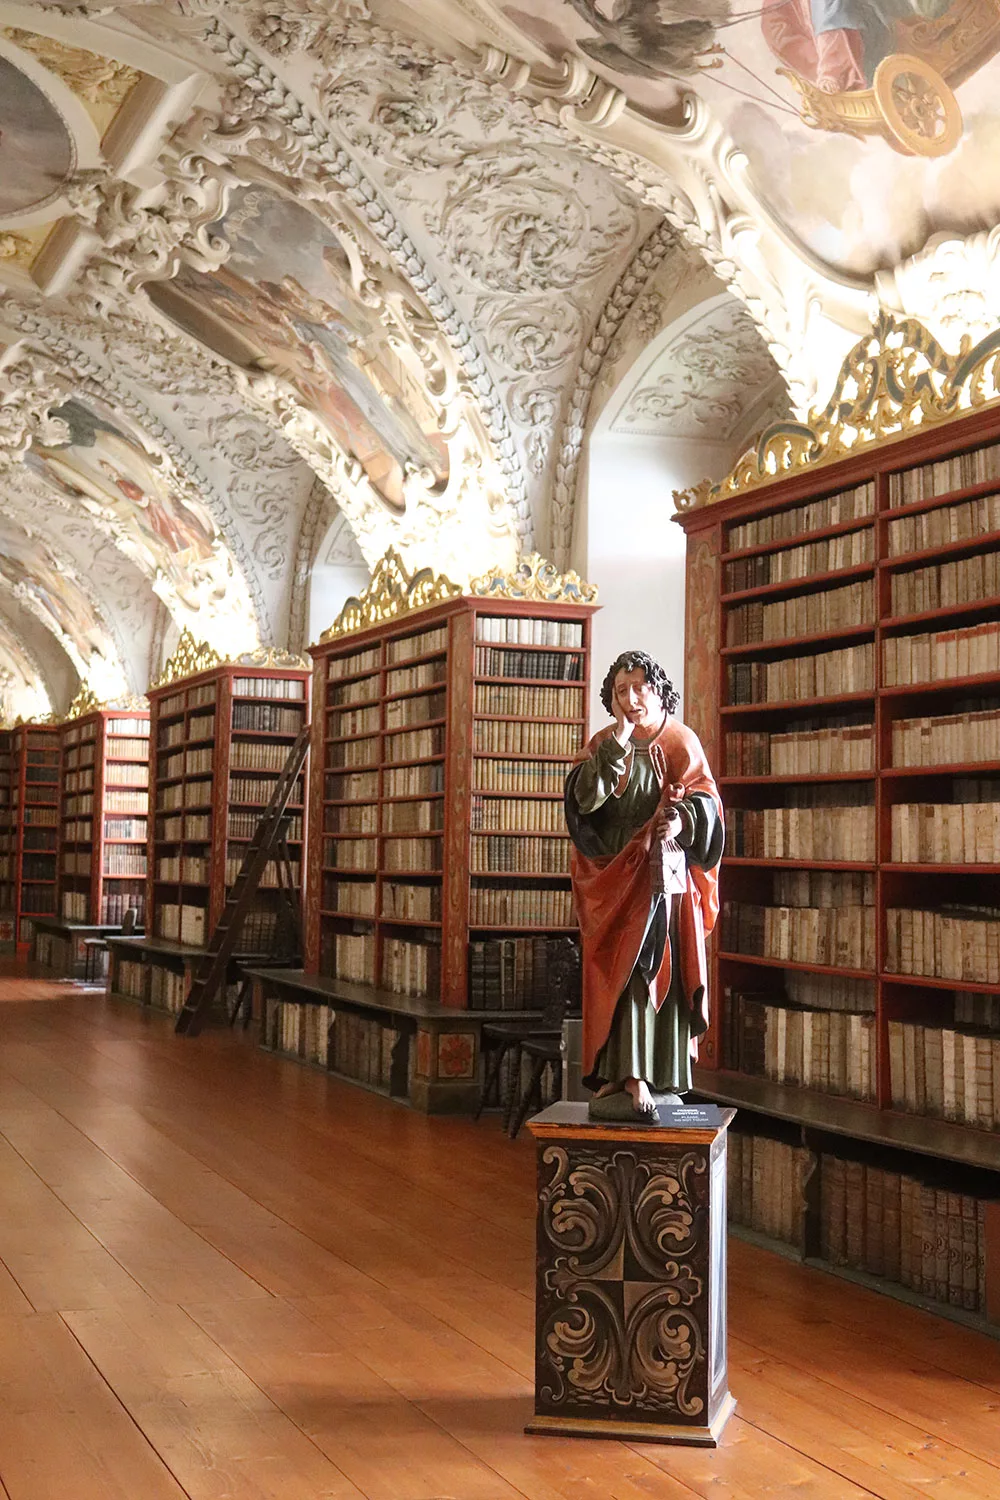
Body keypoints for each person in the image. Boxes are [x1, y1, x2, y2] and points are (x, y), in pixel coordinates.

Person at [564, 650, 724, 1120]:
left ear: (657, 689)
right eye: (620, 691)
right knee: (616, 970)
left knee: (653, 971)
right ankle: (620, 1073)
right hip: (613, 882)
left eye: (640, 687)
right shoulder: (601, 744)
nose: (632, 699)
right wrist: (617, 745)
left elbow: (708, 806)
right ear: (610, 700)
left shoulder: (679, 741)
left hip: (661, 883)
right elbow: (582, 803)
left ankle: (651, 1074)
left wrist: (681, 823)